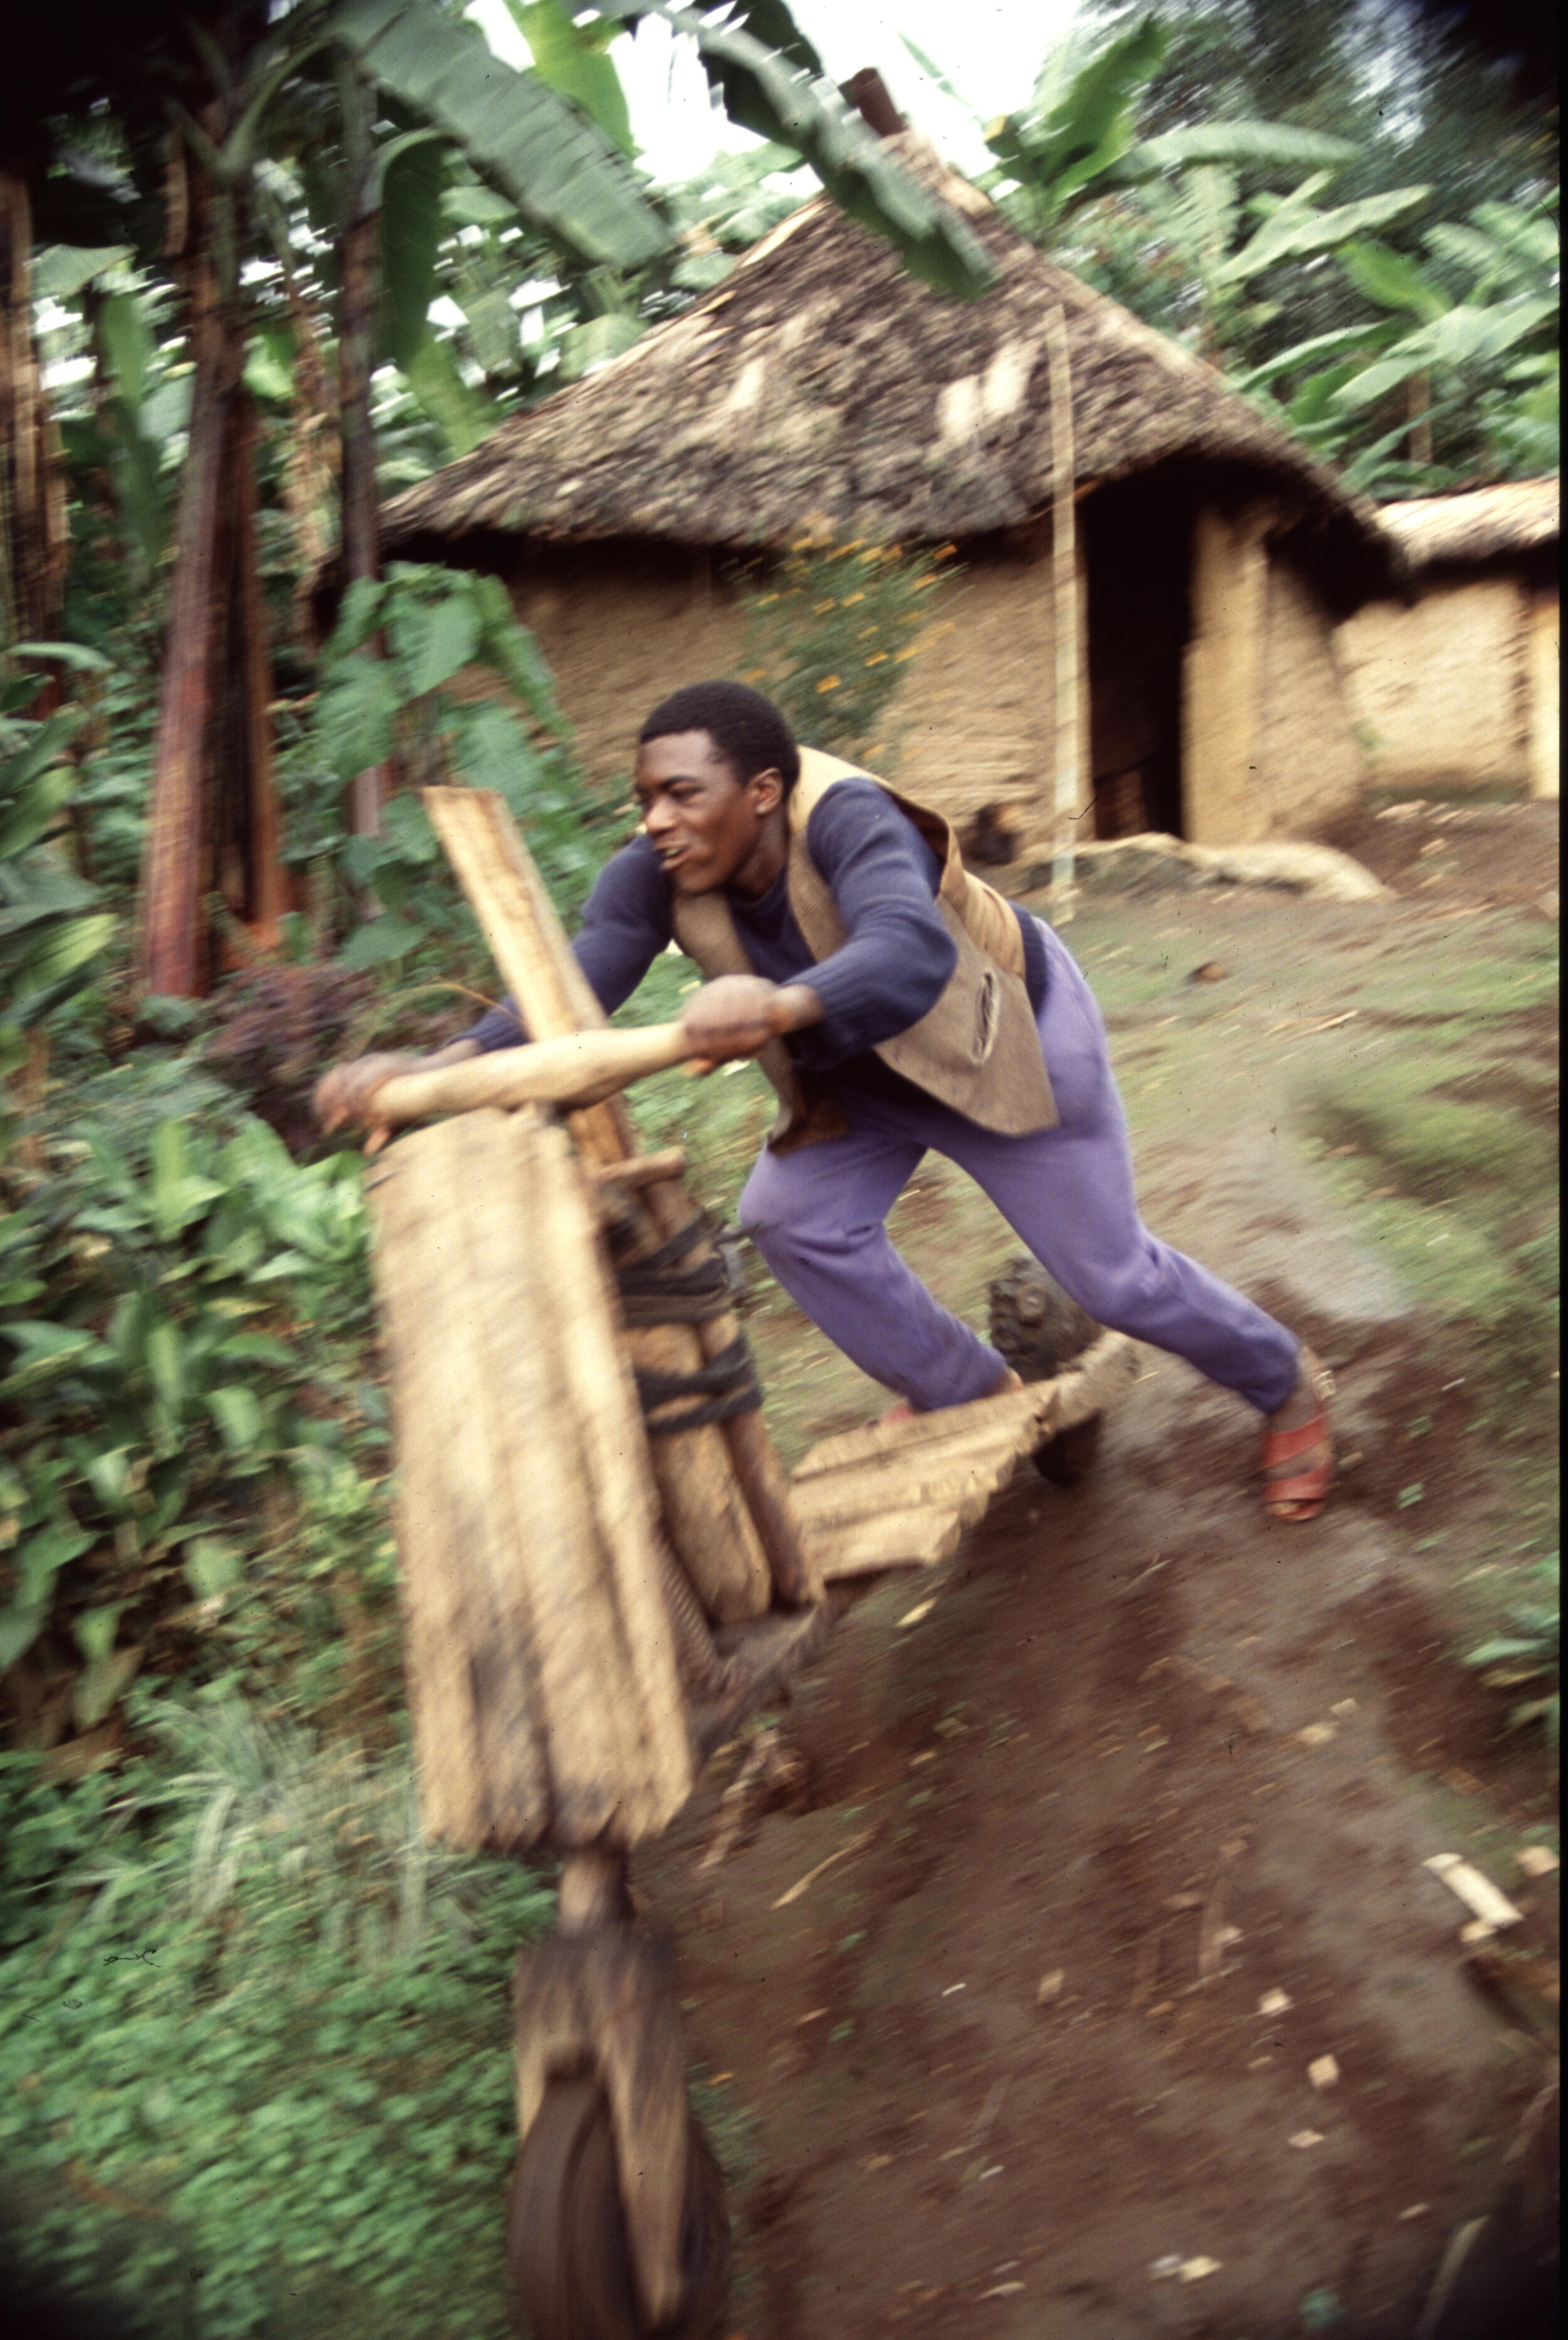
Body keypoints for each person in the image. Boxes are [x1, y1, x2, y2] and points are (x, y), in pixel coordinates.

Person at [315, 680, 1334, 1521]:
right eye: (645, 800)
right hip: (859, 1074)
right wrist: (436, 1065)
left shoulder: (851, 817)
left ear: (762, 789)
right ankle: (972, 1391)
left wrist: (779, 1001)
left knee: (1115, 1282)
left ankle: (1286, 1384)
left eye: (680, 795)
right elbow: (576, 984)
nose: (655, 821)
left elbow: (907, 949)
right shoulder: (656, 874)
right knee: (793, 1220)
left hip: (1004, 1037)